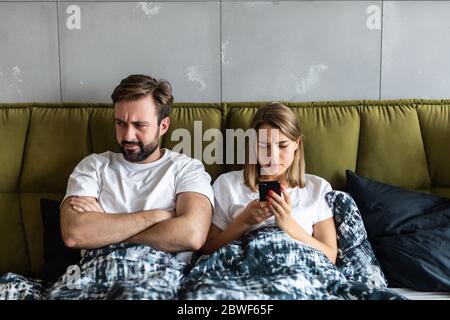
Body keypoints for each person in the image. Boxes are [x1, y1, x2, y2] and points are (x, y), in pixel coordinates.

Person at [0, 74, 214, 300]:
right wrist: (160, 216)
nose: (128, 135)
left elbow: (193, 234)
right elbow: (75, 234)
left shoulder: (186, 169)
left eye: (139, 125)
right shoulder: (93, 166)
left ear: (163, 126)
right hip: (89, 273)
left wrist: (105, 230)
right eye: (120, 123)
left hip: (154, 274)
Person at [201, 102, 337, 263]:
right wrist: (244, 221)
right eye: (263, 145)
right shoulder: (227, 184)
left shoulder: (318, 188)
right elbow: (207, 248)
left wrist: (289, 225)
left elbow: (330, 257)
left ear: (297, 143)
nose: (272, 156)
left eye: (282, 145)